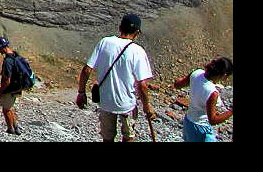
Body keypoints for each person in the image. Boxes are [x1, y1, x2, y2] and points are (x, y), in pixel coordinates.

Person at [75, 13, 155, 142]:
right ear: (137, 32)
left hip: (106, 102)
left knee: (107, 138)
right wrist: (147, 106)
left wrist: (81, 92)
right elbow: (142, 85)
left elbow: (87, 70)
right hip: (126, 103)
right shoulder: (138, 51)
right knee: (128, 137)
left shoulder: (105, 42)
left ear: (119, 28)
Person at [173, 57, 233, 142]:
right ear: (224, 75)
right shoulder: (212, 92)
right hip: (201, 129)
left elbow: (177, 85)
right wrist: (231, 112)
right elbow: (213, 120)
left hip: (188, 122)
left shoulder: (197, 73)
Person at [0, 36, 25, 136]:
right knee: (9, 107)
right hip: (17, 87)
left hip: (10, 89)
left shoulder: (7, 61)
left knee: (5, 109)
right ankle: (16, 127)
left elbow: (7, 80)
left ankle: (11, 129)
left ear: (1, 47)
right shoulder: (16, 56)